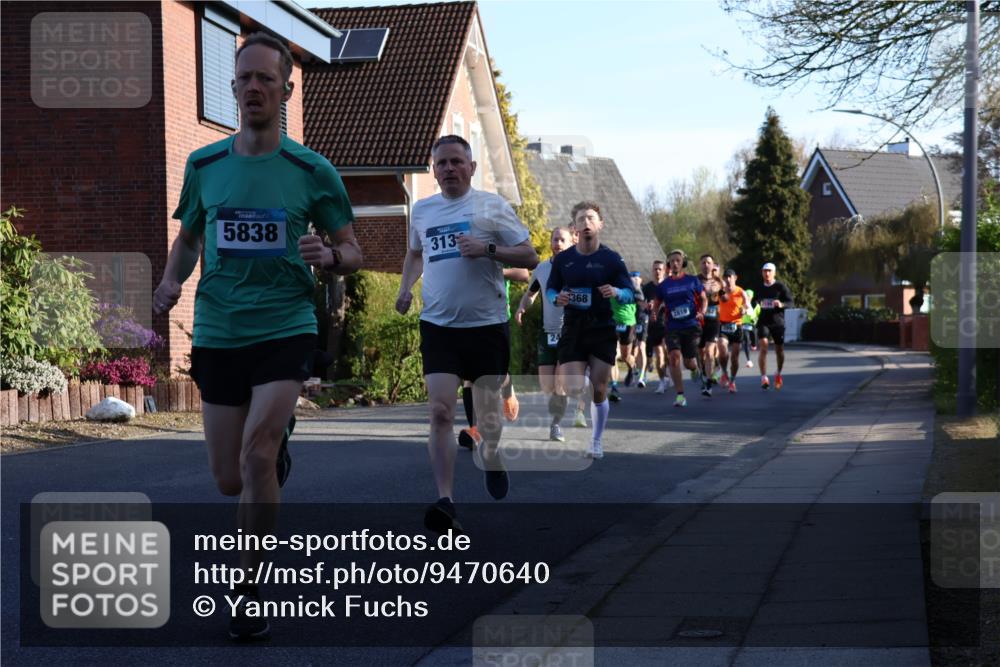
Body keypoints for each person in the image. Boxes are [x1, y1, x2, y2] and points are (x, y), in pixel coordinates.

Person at [153, 33, 361, 641]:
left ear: (286, 90)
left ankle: (247, 591)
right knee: (228, 478)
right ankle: (270, 460)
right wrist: (170, 282)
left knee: (257, 455)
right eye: (243, 78)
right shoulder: (204, 165)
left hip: (284, 325)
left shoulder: (311, 170)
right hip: (220, 328)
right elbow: (191, 238)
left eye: (265, 79)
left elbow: (353, 249)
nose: (252, 88)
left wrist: (329, 254)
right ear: (234, 86)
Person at [396, 134, 538, 535]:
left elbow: (529, 256)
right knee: (440, 412)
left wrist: (488, 249)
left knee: (487, 419)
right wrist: (405, 288)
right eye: (442, 163)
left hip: (486, 326)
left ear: (471, 168)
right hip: (438, 326)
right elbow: (415, 253)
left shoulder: (492, 207)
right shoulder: (422, 211)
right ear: (434, 169)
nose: (449, 169)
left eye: (457, 161)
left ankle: (491, 453)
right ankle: (446, 499)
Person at [547, 202, 637, 459]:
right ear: (574, 227)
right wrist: (557, 298)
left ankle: (596, 441)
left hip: (602, 327)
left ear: (599, 225)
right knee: (574, 386)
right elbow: (551, 289)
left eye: (590, 218)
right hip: (574, 327)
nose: (586, 222)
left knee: (599, 387)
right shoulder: (564, 260)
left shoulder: (611, 259)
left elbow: (631, 294)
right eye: (580, 219)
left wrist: (617, 292)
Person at [457, 266, 529, 450]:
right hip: (466, 319)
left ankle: (507, 386)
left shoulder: (495, 245)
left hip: (495, 320)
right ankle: (475, 430)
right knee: (468, 376)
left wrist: (497, 271)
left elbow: (524, 274)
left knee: (495, 373)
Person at [515, 227, 575, 442]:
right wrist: (523, 307)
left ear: (570, 243)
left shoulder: (577, 267)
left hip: (570, 332)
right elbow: (530, 294)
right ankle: (559, 410)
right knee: (547, 384)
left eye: (562, 240)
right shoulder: (541, 268)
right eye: (555, 239)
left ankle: (556, 424)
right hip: (547, 332)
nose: (558, 243)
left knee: (561, 380)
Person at [652, 249, 706, 407]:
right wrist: (655, 313)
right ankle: (680, 395)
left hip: (691, 325)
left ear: (683, 263)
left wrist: (702, 312)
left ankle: (695, 368)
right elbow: (657, 302)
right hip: (672, 326)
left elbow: (703, 299)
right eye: (672, 261)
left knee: (689, 362)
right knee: (674, 358)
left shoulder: (692, 280)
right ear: (669, 264)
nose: (675, 263)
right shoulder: (664, 285)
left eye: (678, 260)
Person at [756, 262, 794, 390]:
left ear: (774, 273)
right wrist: (754, 305)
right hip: (763, 321)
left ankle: (778, 373)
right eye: (764, 271)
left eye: (769, 271)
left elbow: (791, 302)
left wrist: (781, 304)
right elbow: (752, 301)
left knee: (779, 350)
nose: (767, 273)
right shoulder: (759, 287)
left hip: (777, 322)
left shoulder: (780, 287)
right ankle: (763, 377)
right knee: (764, 347)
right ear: (762, 272)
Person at [608, 269, 641, 402]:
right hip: (612, 321)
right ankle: (614, 387)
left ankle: (632, 366)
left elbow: (640, 299)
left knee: (625, 355)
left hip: (628, 323)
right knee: (612, 355)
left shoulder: (630, 283)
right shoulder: (606, 282)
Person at [717, 268, 749, 393]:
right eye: (726, 277)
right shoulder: (720, 292)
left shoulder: (741, 292)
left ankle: (733, 381)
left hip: (737, 326)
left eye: (730, 276)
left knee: (735, 357)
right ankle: (724, 373)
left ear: (735, 278)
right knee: (722, 348)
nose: (728, 279)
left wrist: (744, 310)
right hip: (724, 325)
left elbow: (746, 304)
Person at [642, 260, 671, 394]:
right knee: (659, 354)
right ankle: (662, 381)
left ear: (664, 270)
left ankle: (669, 372)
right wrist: (647, 306)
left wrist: (661, 304)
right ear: (652, 271)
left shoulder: (669, 285)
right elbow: (641, 304)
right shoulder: (647, 288)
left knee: (667, 352)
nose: (657, 271)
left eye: (660, 269)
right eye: (655, 269)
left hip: (669, 323)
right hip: (654, 325)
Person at [697, 255, 724, 396]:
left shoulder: (719, 281)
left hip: (713, 321)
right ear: (700, 265)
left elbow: (725, 298)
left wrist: (721, 289)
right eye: (703, 262)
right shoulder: (696, 280)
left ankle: (708, 384)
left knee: (709, 351)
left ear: (713, 265)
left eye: (709, 262)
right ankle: (702, 371)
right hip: (699, 321)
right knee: (700, 353)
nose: (706, 265)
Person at [627, 272, 649, 388]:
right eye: (632, 278)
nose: (635, 280)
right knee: (632, 350)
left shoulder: (644, 289)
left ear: (640, 279)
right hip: (631, 319)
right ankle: (634, 369)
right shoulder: (628, 289)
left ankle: (642, 377)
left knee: (641, 347)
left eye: (636, 278)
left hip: (642, 319)